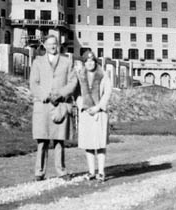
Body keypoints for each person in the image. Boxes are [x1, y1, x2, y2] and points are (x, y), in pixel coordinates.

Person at [29, 35, 77, 181]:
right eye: (49, 44)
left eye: (55, 44)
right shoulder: (37, 62)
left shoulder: (67, 62)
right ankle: (39, 172)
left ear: (59, 45)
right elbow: (33, 83)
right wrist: (46, 95)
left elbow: (73, 82)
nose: (52, 47)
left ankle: (61, 171)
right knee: (42, 141)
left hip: (60, 106)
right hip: (43, 105)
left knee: (59, 140)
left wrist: (61, 94)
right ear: (44, 45)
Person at [74, 50, 113, 182]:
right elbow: (77, 93)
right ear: (84, 63)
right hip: (86, 113)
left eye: (92, 61)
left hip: (99, 113)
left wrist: (98, 107)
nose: (90, 63)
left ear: (95, 62)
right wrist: (82, 106)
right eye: (87, 61)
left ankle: (101, 172)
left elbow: (107, 92)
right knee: (88, 143)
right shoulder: (80, 75)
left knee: (100, 143)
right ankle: (91, 171)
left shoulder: (103, 75)